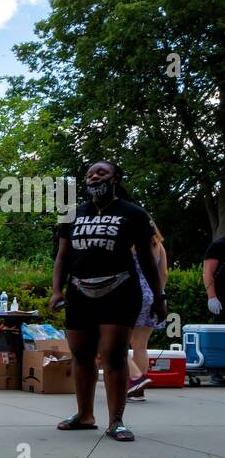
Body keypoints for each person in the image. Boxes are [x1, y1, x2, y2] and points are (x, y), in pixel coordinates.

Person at [50, 161, 166, 441]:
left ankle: (116, 422)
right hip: (79, 291)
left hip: (120, 290)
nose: (94, 176)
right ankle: (84, 415)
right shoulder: (72, 214)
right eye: (90, 173)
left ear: (116, 178)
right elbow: (62, 256)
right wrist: (56, 290)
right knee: (81, 355)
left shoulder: (133, 214)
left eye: (101, 172)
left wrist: (159, 295)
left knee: (114, 356)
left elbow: (149, 260)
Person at [127, 219, 168, 400]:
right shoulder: (159, 246)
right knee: (141, 346)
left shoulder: (131, 245)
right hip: (155, 295)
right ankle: (139, 390)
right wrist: (158, 294)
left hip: (132, 294)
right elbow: (164, 273)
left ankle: (135, 380)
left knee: (115, 343)